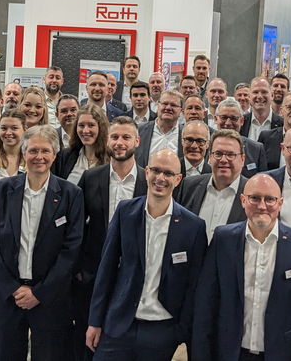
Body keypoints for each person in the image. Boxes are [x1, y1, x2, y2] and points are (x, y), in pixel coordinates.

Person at [86, 149, 207, 361]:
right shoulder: (126, 212)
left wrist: (180, 331)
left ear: (178, 179)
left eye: (168, 173)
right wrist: (95, 321)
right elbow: (106, 269)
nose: (161, 178)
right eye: (156, 171)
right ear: (147, 172)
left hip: (162, 331)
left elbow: (193, 284)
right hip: (119, 324)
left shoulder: (193, 226)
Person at [193, 173, 291, 361]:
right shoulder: (223, 240)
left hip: (282, 354)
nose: (262, 206)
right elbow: (205, 302)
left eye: (270, 199)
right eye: (254, 198)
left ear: (280, 203)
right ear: (243, 200)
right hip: (230, 352)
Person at [0, 125, 84, 361]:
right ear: (23, 153)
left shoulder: (71, 194)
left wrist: (40, 292)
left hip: (49, 300)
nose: (39, 157)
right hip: (7, 297)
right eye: (33, 150)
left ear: (54, 155)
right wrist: (13, 288)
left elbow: (71, 250)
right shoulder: (1, 189)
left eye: (45, 151)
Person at [72, 117, 147, 361]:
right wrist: (79, 269)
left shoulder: (149, 181)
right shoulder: (91, 177)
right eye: (115, 137)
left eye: (126, 137)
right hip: (92, 276)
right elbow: (76, 227)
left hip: (133, 278)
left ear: (137, 141)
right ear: (107, 140)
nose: (119, 143)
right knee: (86, 342)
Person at [177, 129, 249, 242]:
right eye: (218, 154)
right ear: (210, 157)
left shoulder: (253, 194)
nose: (223, 160)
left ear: (242, 159)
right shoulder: (189, 186)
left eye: (231, 155)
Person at [53, 103, 109, 185]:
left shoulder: (111, 158)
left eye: (91, 125)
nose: (85, 131)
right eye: (81, 125)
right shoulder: (66, 156)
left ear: (101, 127)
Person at [214, 98, 268, 177]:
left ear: (242, 121)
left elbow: (261, 180)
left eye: (234, 118)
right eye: (224, 117)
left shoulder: (256, 149)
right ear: (216, 119)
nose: (228, 123)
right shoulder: (206, 146)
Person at [135, 89, 184, 168]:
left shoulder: (185, 134)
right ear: (158, 106)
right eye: (164, 103)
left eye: (173, 105)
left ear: (181, 111)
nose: (168, 108)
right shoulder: (139, 130)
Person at [241, 76, 284, 141]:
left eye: (264, 92)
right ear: (249, 96)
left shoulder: (282, 125)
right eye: (255, 92)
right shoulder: (241, 123)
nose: (260, 96)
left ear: (272, 95)